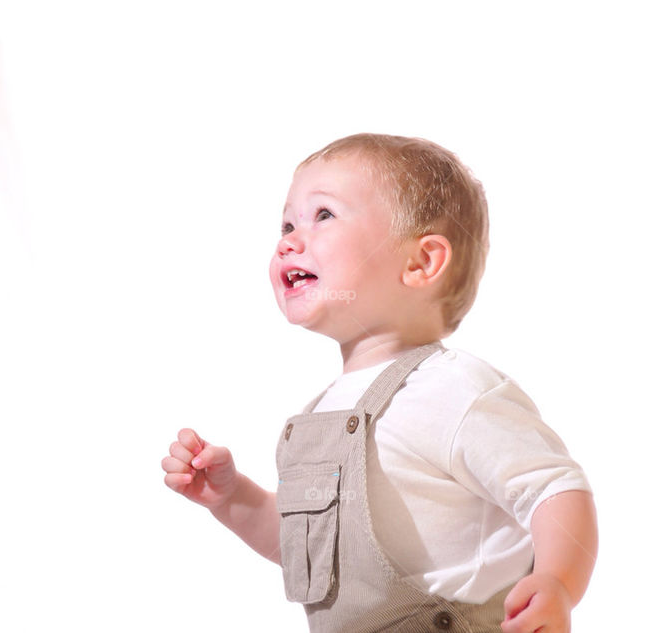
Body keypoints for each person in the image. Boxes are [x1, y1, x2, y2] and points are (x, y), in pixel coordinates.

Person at [162, 134, 597, 633]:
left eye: (323, 215)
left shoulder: (454, 389)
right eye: (287, 224)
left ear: (420, 262)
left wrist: (558, 582)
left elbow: (554, 488)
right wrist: (232, 498)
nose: (288, 241)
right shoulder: (318, 415)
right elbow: (308, 554)